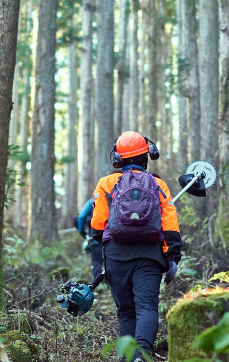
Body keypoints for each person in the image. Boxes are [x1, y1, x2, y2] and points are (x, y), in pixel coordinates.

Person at [91, 131, 181, 362]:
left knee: (126, 311)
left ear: (117, 159)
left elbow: (97, 226)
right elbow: (169, 223)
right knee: (147, 307)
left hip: (116, 255)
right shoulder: (158, 184)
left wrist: (105, 247)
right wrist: (172, 256)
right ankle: (142, 355)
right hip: (149, 257)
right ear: (147, 156)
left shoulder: (106, 184)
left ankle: (127, 356)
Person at [77, 197, 105, 279]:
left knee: (96, 261)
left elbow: (82, 216)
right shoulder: (116, 197)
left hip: (95, 236)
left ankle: (99, 284)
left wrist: (82, 231)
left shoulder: (93, 201)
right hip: (113, 236)